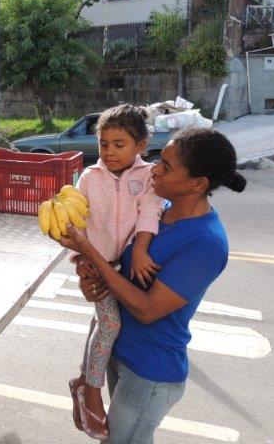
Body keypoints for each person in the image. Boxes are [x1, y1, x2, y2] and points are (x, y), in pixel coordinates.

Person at [61, 127, 246, 443]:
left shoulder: (207, 243)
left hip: (150, 371)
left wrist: (88, 250)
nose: (154, 170)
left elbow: (148, 310)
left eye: (167, 167)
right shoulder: (159, 212)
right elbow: (120, 269)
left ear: (197, 184)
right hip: (119, 351)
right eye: (159, 159)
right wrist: (91, 278)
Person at [70, 105, 164, 439]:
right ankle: (92, 389)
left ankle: (82, 379)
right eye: (103, 143)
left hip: (127, 265)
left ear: (139, 146)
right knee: (110, 323)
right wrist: (80, 260)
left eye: (118, 144)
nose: (109, 151)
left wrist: (140, 247)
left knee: (102, 323)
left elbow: (151, 211)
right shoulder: (89, 178)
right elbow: (75, 223)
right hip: (98, 267)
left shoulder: (148, 176)